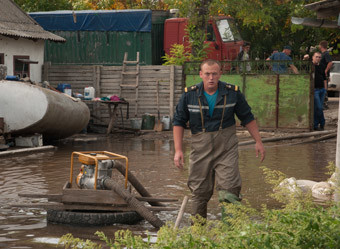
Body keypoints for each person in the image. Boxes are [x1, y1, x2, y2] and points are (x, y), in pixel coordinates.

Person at [173, 59, 265, 219]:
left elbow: (247, 117)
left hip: (226, 149)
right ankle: (198, 233)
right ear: (201, 74)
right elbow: (178, 122)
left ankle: (231, 232)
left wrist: (258, 141)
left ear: (220, 74)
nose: (211, 78)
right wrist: (178, 150)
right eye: (207, 74)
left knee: (230, 189)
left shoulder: (232, 93)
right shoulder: (189, 95)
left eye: (214, 74)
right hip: (200, 150)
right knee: (199, 192)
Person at [312, 52, 327, 131]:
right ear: (313, 57)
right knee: (319, 107)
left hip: (322, 89)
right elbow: (304, 67)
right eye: (316, 57)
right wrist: (305, 58)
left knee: (319, 108)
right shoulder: (311, 66)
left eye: (319, 57)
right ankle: (321, 122)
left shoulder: (321, 66)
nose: (318, 58)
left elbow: (324, 78)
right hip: (315, 90)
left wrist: (325, 89)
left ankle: (318, 124)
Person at [319, 40, 333, 109]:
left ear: (321, 46)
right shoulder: (322, 54)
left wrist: (326, 70)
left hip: (324, 74)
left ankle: (324, 104)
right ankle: (322, 103)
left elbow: (330, 62)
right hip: (321, 74)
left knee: (324, 88)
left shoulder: (326, 54)